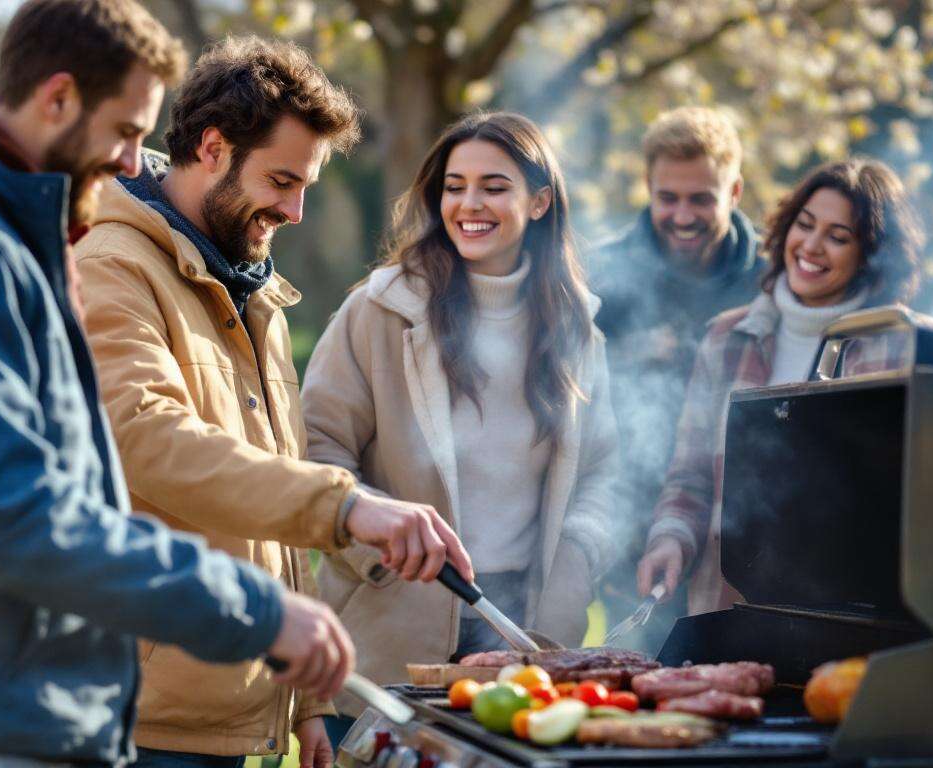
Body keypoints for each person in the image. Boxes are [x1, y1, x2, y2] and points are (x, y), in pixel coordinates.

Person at [0, 3, 356, 767]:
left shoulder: (8, 240)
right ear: (57, 99)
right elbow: (15, 515)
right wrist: (254, 608)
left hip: (30, 715)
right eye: (123, 131)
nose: (130, 161)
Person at [73, 36, 472, 768]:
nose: (294, 210)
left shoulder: (254, 288)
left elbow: (272, 497)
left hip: (239, 709)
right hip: (142, 721)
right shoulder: (110, 266)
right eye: (282, 181)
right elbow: (148, 438)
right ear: (214, 146)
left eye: (307, 187)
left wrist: (309, 701)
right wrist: (349, 505)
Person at [302, 111, 618, 738]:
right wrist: (384, 548)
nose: (469, 204)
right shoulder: (377, 309)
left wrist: (572, 576)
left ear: (539, 202)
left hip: (521, 639)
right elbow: (317, 449)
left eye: (494, 187)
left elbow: (602, 478)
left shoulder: (577, 329)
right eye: (454, 186)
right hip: (386, 634)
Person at [636, 157, 933, 616]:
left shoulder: (908, 344)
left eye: (838, 237)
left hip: (856, 615)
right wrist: (670, 540)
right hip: (727, 608)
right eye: (805, 225)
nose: (812, 246)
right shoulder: (727, 338)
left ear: (872, 254)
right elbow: (690, 477)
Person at [588, 106, 764, 650]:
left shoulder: (773, 279)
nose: (683, 215)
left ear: (733, 192)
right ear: (648, 186)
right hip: (631, 524)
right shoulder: (601, 274)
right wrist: (629, 355)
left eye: (701, 199)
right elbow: (565, 389)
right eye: (668, 198)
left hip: (745, 524)